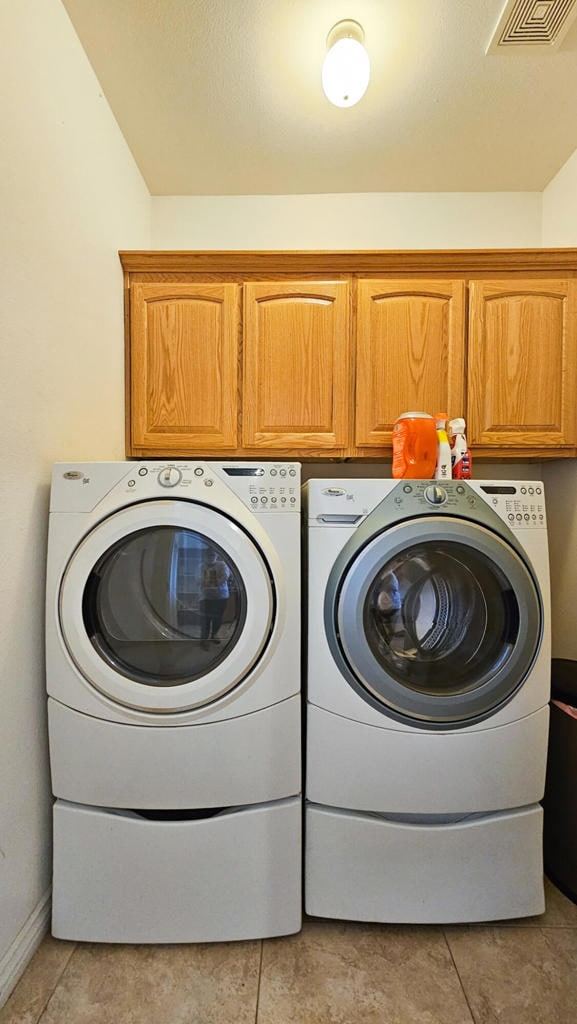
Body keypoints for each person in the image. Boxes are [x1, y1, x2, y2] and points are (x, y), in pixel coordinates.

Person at [200, 549, 231, 648]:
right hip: (205, 597)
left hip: (220, 596)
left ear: (217, 555)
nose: (210, 557)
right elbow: (196, 578)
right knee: (205, 619)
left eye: (213, 555)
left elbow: (226, 576)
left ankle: (214, 635)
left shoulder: (222, 565)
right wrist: (204, 581)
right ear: (204, 556)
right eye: (208, 555)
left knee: (217, 618)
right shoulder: (201, 566)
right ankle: (204, 639)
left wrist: (213, 582)